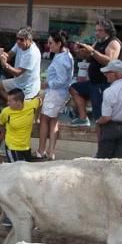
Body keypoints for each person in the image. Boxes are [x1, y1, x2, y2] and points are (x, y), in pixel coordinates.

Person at [69, 18, 122, 126]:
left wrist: (92, 52)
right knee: (74, 88)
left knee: (99, 117)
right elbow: (89, 56)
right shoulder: (98, 42)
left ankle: (103, 140)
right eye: (96, 30)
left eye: (100, 30)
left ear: (108, 30)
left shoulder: (113, 43)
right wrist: (79, 51)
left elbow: (110, 62)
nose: (97, 33)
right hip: (93, 82)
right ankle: (83, 118)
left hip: (103, 84)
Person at [36, 32, 74, 160]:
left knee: (44, 119)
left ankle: (41, 150)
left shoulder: (62, 59)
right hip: (60, 93)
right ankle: (51, 151)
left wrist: (46, 84)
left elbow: (61, 80)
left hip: (55, 92)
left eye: (51, 43)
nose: (48, 45)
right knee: (53, 121)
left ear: (59, 43)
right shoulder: (66, 55)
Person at [95, 60, 122, 159]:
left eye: (108, 72)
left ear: (116, 74)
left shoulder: (109, 91)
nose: (105, 75)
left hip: (111, 127)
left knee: (103, 160)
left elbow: (106, 118)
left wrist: (98, 122)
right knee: (121, 161)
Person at [0, 88, 38, 167]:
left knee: (26, 171)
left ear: (18, 102)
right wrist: (5, 132)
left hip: (26, 147)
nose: (7, 103)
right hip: (12, 147)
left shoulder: (31, 105)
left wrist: (36, 117)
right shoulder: (6, 112)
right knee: (15, 169)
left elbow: (40, 99)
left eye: (10, 101)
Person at [0, 27, 41, 103]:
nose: (18, 41)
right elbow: (10, 55)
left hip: (28, 87)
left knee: (21, 108)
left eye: (21, 39)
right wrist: (4, 56)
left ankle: (13, 104)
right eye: (17, 38)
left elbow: (17, 73)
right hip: (18, 81)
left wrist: (5, 65)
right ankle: (11, 103)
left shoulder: (32, 53)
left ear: (29, 40)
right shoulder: (19, 44)